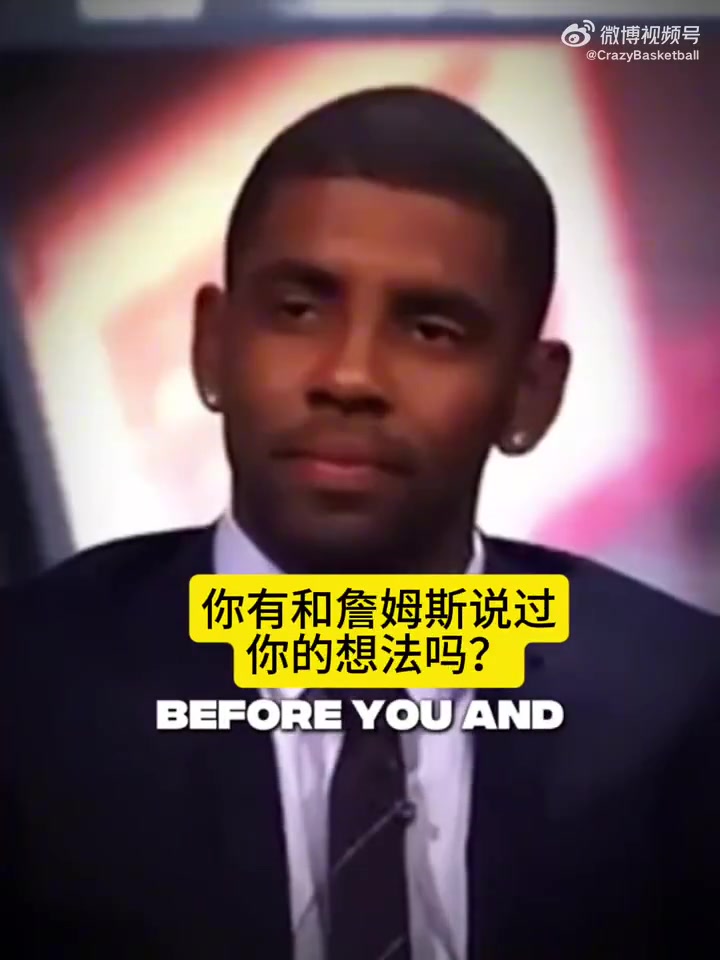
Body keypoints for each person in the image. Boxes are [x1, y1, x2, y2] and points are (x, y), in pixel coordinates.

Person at [1, 85, 718, 960]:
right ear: (211, 346)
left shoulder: (686, 713)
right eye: (299, 310)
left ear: (531, 395)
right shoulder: (28, 695)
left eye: (431, 330)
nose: (349, 376)